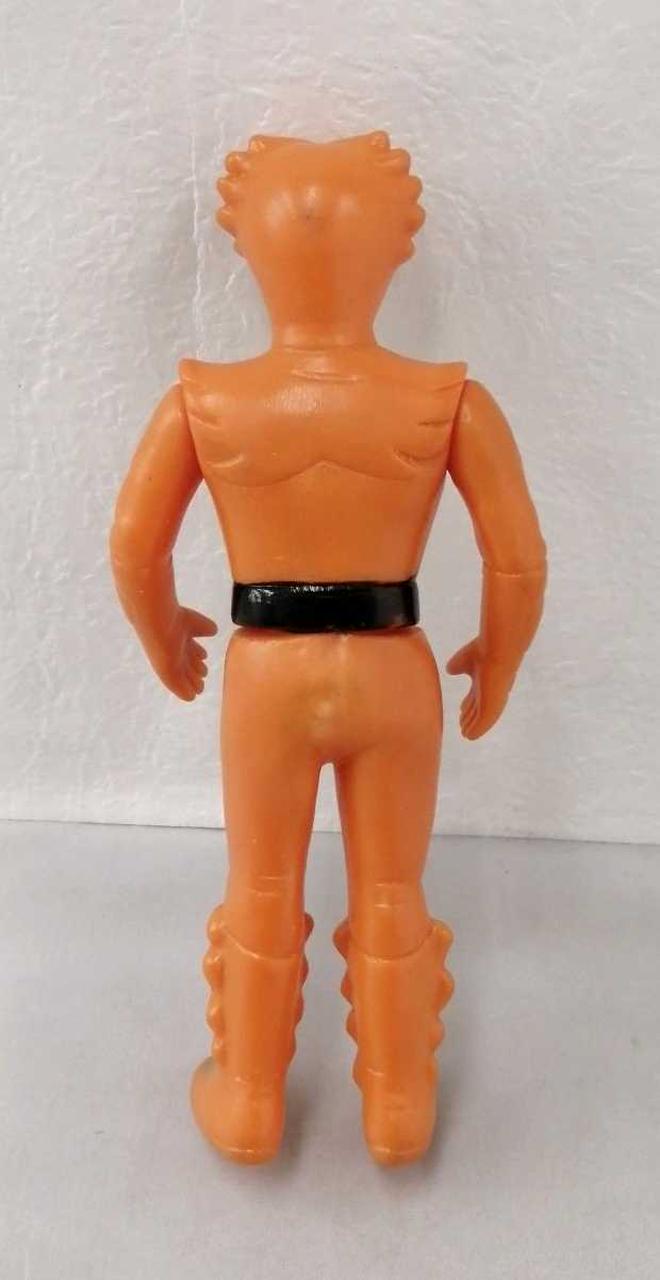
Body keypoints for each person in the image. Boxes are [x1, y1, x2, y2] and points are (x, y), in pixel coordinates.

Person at [110, 131, 546, 1165]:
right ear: (393, 254)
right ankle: (399, 1106)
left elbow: (133, 546)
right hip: (394, 669)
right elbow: (519, 559)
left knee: (261, 881)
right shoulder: (450, 400)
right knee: (393, 886)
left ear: (248, 252)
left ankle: (248, 1096)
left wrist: (165, 635)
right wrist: (499, 659)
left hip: (266, 672)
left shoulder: (205, 401)